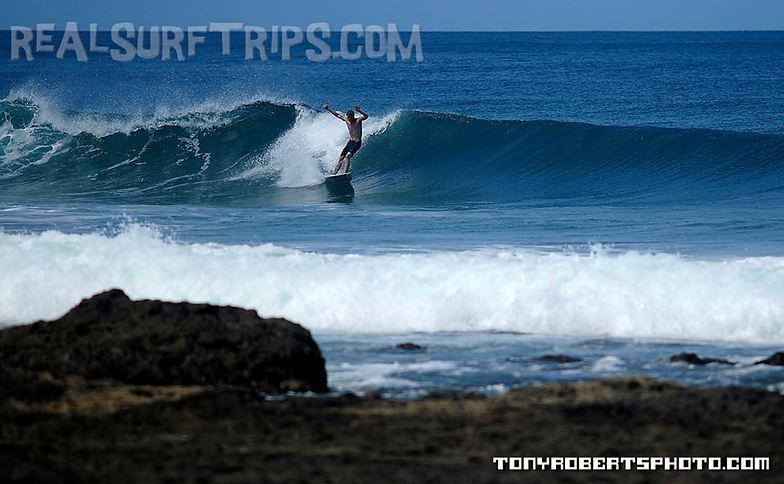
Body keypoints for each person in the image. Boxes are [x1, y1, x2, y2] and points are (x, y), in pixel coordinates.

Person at [322, 104, 369, 175]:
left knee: (348, 156)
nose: (349, 119)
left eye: (350, 117)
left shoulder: (358, 120)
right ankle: (334, 173)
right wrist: (328, 109)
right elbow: (337, 115)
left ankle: (345, 174)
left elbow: (366, 116)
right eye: (348, 117)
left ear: (353, 116)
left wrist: (360, 111)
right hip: (350, 142)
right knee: (341, 158)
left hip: (357, 143)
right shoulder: (347, 120)